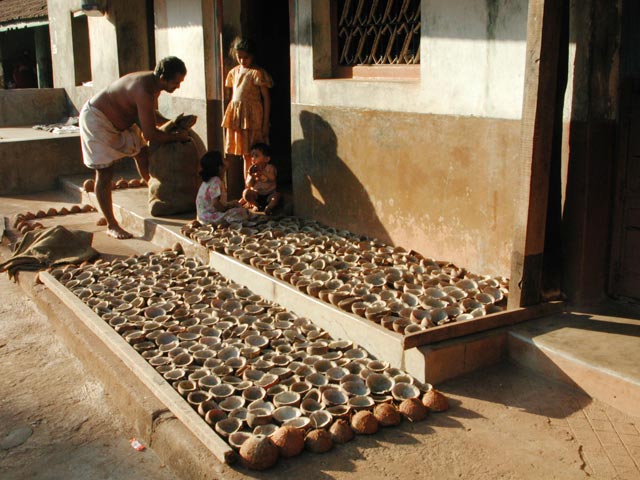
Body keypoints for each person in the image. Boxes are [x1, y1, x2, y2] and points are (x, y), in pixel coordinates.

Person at [79, 56, 190, 239]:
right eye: (176, 82)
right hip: (97, 121)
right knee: (105, 173)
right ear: (163, 78)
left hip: (123, 122)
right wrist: (176, 137)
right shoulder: (143, 89)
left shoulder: (154, 85)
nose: (178, 86)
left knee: (142, 154)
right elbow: (150, 134)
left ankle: (155, 193)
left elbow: (148, 114)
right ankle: (111, 224)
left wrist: (173, 122)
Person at [221, 37, 273, 177]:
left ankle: (259, 187)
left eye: (246, 57)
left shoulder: (257, 73)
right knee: (245, 155)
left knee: (255, 154)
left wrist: (265, 123)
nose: (243, 60)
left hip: (254, 118)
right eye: (239, 57)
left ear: (252, 56)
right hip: (240, 118)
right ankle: (248, 189)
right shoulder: (233, 72)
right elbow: (233, 95)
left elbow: (266, 98)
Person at [196, 151, 249, 225]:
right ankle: (225, 223)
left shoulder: (209, 180)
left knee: (235, 203)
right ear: (220, 167)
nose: (225, 159)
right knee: (242, 212)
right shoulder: (215, 181)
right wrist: (226, 209)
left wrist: (229, 204)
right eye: (223, 159)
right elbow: (216, 204)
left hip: (204, 216)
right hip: (209, 218)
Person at [242, 142, 281, 215]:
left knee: (277, 195)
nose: (253, 158)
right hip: (257, 195)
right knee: (246, 193)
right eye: (252, 156)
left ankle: (269, 207)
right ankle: (256, 205)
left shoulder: (270, 168)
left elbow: (272, 178)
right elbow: (249, 184)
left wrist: (262, 172)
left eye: (256, 156)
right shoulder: (252, 170)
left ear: (266, 159)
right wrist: (251, 175)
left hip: (269, 194)